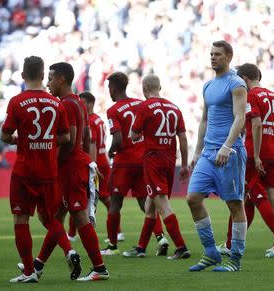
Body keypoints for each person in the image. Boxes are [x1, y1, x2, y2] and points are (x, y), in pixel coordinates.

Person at [1, 56, 72, 283]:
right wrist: (48, 142)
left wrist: (15, 140)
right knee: (51, 218)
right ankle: (69, 250)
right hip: (49, 170)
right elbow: (66, 137)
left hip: (24, 170)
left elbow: (4, 135)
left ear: (23, 76)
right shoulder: (56, 103)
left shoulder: (16, 101)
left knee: (21, 219)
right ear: (43, 76)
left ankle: (29, 272)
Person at [37, 62, 109, 281]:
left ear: (61, 79)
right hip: (77, 162)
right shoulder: (77, 101)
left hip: (69, 166)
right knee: (56, 216)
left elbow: (68, 139)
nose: (47, 83)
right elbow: (85, 135)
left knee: (78, 216)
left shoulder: (66, 105)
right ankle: (37, 266)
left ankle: (99, 268)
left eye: (50, 78)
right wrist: (87, 159)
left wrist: (56, 163)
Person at [186, 40, 248, 272]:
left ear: (228, 57)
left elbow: (240, 118)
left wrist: (227, 146)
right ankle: (211, 253)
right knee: (193, 198)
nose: (213, 57)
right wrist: (197, 150)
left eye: (218, 54)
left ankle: (235, 260)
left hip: (229, 152)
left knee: (234, 204)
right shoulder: (208, 86)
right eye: (211, 53)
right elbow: (204, 120)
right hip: (208, 153)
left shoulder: (237, 83)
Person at [217, 63, 274, 258]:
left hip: (254, 153)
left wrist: (256, 155)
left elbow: (256, 124)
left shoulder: (252, 96)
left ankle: (231, 244)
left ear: (245, 80)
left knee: (237, 198)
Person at [122, 74, 191, 259]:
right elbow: (183, 138)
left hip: (153, 160)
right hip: (170, 161)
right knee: (150, 204)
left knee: (161, 203)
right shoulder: (174, 108)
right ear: (159, 88)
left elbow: (134, 135)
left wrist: (139, 132)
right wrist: (184, 165)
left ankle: (181, 247)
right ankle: (141, 248)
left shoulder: (144, 106)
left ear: (144, 89)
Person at [102, 72, 168, 256]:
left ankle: (113, 246)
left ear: (113, 88)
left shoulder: (113, 110)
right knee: (145, 202)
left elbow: (118, 138)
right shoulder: (141, 103)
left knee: (115, 202)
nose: (109, 91)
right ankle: (160, 237)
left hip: (124, 163)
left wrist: (111, 150)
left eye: (109, 88)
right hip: (143, 161)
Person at [66, 92, 118, 242]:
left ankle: (71, 234)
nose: (80, 105)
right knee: (106, 198)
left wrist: (92, 165)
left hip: (95, 161)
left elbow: (92, 144)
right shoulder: (99, 120)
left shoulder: (90, 121)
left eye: (82, 102)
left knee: (80, 199)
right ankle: (117, 232)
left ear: (89, 103)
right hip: (103, 160)